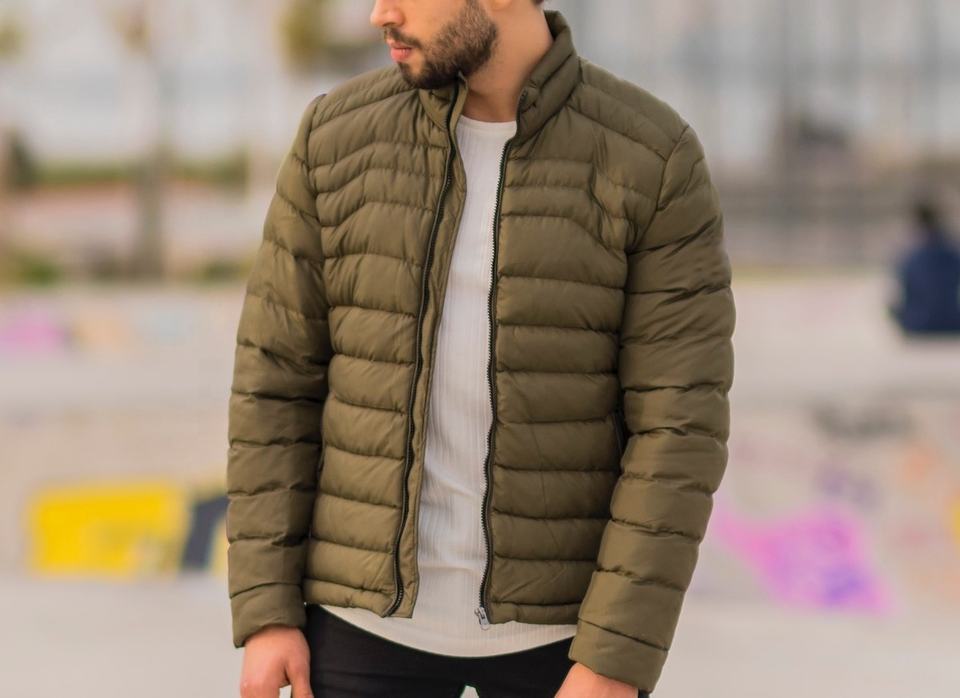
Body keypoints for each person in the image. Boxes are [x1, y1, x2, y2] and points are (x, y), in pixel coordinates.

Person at [226, 2, 736, 697]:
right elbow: (274, 386)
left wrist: (615, 657)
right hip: (356, 631)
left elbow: (679, 427)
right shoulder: (334, 138)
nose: (379, 14)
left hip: (566, 649)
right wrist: (266, 612)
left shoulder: (651, 158)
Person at [889, 198, 960, 335]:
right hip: (953, 321)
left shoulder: (909, 255)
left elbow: (906, 291)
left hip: (918, 324)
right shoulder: (953, 251)